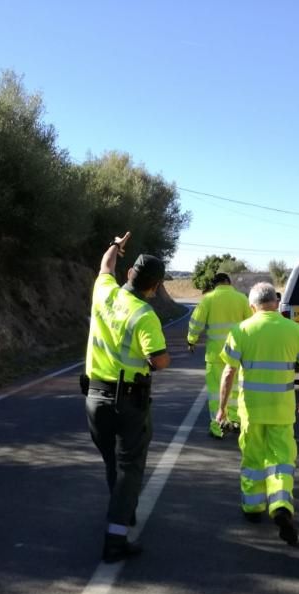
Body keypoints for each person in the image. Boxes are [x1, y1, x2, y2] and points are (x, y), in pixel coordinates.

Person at [83, 231, 170, 563]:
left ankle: (123, 509)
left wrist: (115, 246)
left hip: (94, 399)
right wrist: (158, 359)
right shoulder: (145, 316)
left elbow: (105, 266)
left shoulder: (103, 292)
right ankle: (116, 539)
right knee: (130, 467)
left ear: (130, 274)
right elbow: (159, 360)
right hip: (129, 403)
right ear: (154, 286)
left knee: (112, 462)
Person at [216, 282, 299, 545]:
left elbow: (228, 373)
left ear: (252, 306)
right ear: (276, 302)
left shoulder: (241, 330)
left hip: (251, 411)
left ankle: (252, 509)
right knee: (281, 460)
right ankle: (281, 505)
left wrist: (222, 408)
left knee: (253, 461)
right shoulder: (294, 330)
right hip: (282, 411)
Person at [186, 272, 251, 439]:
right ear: (229, 282)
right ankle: (236, 421)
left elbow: (196, 322)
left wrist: (191, 340)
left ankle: (218, 426)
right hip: (237, 354)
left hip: (215, 355)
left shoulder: (208, 299)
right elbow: (251, 323)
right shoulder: (242, 299)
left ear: (215, 285)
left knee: (216, 392)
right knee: (236, 389)